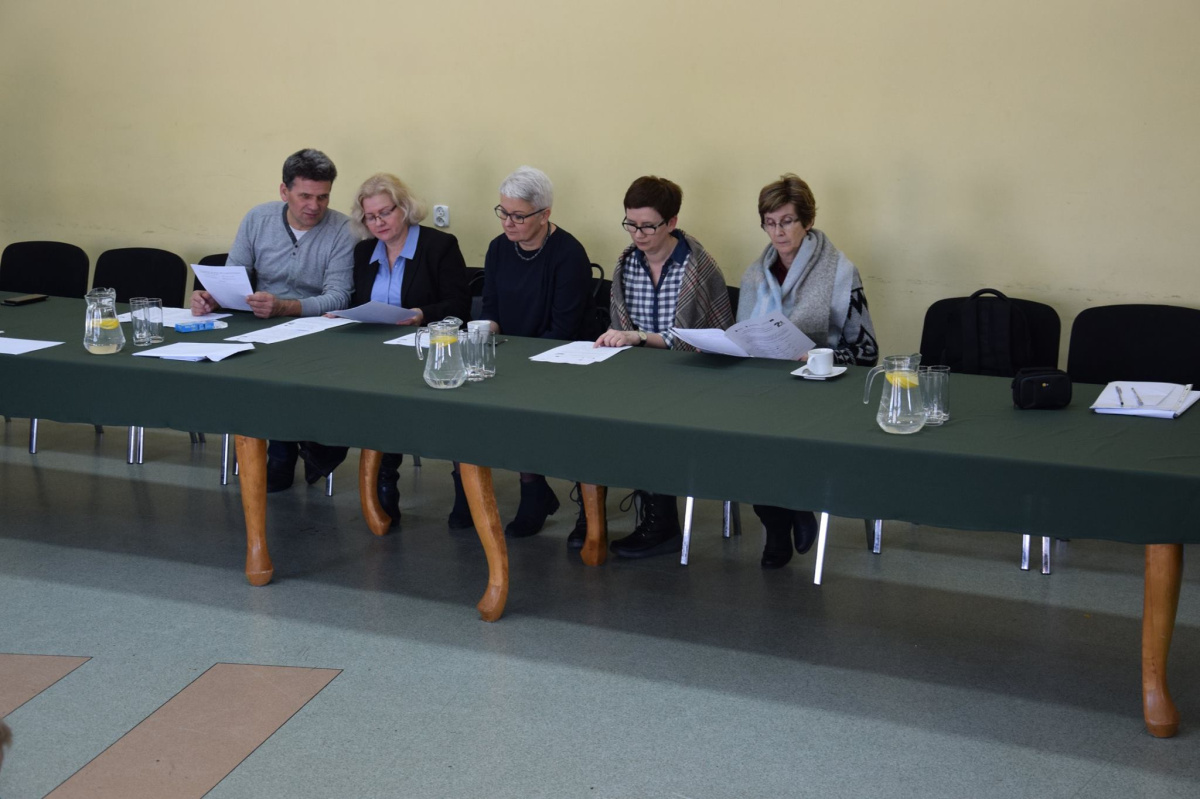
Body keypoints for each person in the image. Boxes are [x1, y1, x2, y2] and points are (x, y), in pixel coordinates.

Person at [191, 148, 356, 493]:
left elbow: (340, 297)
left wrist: (286, 307)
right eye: (305, 196)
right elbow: (234, 276)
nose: (314, 206)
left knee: (291, 373)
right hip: (260, 324)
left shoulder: (342, 229)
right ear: (284, 191)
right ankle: (279, 448)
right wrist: (213, 297)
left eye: (323, 197)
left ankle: (283, 454)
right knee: (246, 372)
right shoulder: (258, 219)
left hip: (317, 329)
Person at [738, 173, 878, 568]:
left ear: (808, 221)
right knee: (745, 435)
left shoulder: (840, 271)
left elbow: (867, 351)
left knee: (778, 435)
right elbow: (745, 335)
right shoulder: (755, 274)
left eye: (787, 221)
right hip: (767, 387)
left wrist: (818, 356)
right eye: (769, 223)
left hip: (821, 388)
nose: (778, 232)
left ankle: (793, 511)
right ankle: (782, 518)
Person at [594, 176, 734, 558]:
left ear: (671, 222)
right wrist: (617, 337)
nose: (638, 234)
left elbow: (711, 339)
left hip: (696, 378)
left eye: (648, 226)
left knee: (649, 418)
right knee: (589, 409)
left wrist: (638, 337)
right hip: (640, 376)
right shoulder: (626, 264)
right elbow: (621, 326)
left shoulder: (699, 267)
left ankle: (662, 523)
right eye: (630, 224)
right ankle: (590, 515)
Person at [325, 173, 471, 525]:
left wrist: (421, 314)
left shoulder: (439, 246)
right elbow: (359, 301)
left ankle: (465, 491)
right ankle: (384, 481)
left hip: (425, 350)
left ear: (404, 208)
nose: (378, 223)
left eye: (385, 213)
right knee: (360, 395)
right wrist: (343, 313)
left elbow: (459, 306)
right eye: (370, 217)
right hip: (375, 353)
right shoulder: (364, 251)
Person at [478, 166, 593, 538]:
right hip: (512, 352)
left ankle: (575, 503)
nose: (507, 223)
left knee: (528, 401)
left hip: (562, 358)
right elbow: (491, 308)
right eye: (503, 212)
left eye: (518, 216)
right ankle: (520, 489)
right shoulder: (498, 248)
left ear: (545, 215)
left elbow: (564, 328)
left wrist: (519, 361)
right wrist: (483, 336)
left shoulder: (569, 254)